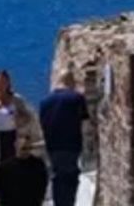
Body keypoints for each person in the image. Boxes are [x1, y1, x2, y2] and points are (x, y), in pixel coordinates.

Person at [0, 70, 48, 206]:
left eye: (4, 82)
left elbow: (30, 117)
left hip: (12, 139)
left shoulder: (17, 100)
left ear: (9, 83)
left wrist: (21, 120)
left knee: (10, 172)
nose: (1, 85)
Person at [39, 71, 90, 206]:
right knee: (70, 178)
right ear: (72, 81)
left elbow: (42, 125)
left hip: (52, 147)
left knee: (57, 177)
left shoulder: (44, 102)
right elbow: (85, 124)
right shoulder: (77, 98)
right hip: (71, 145)